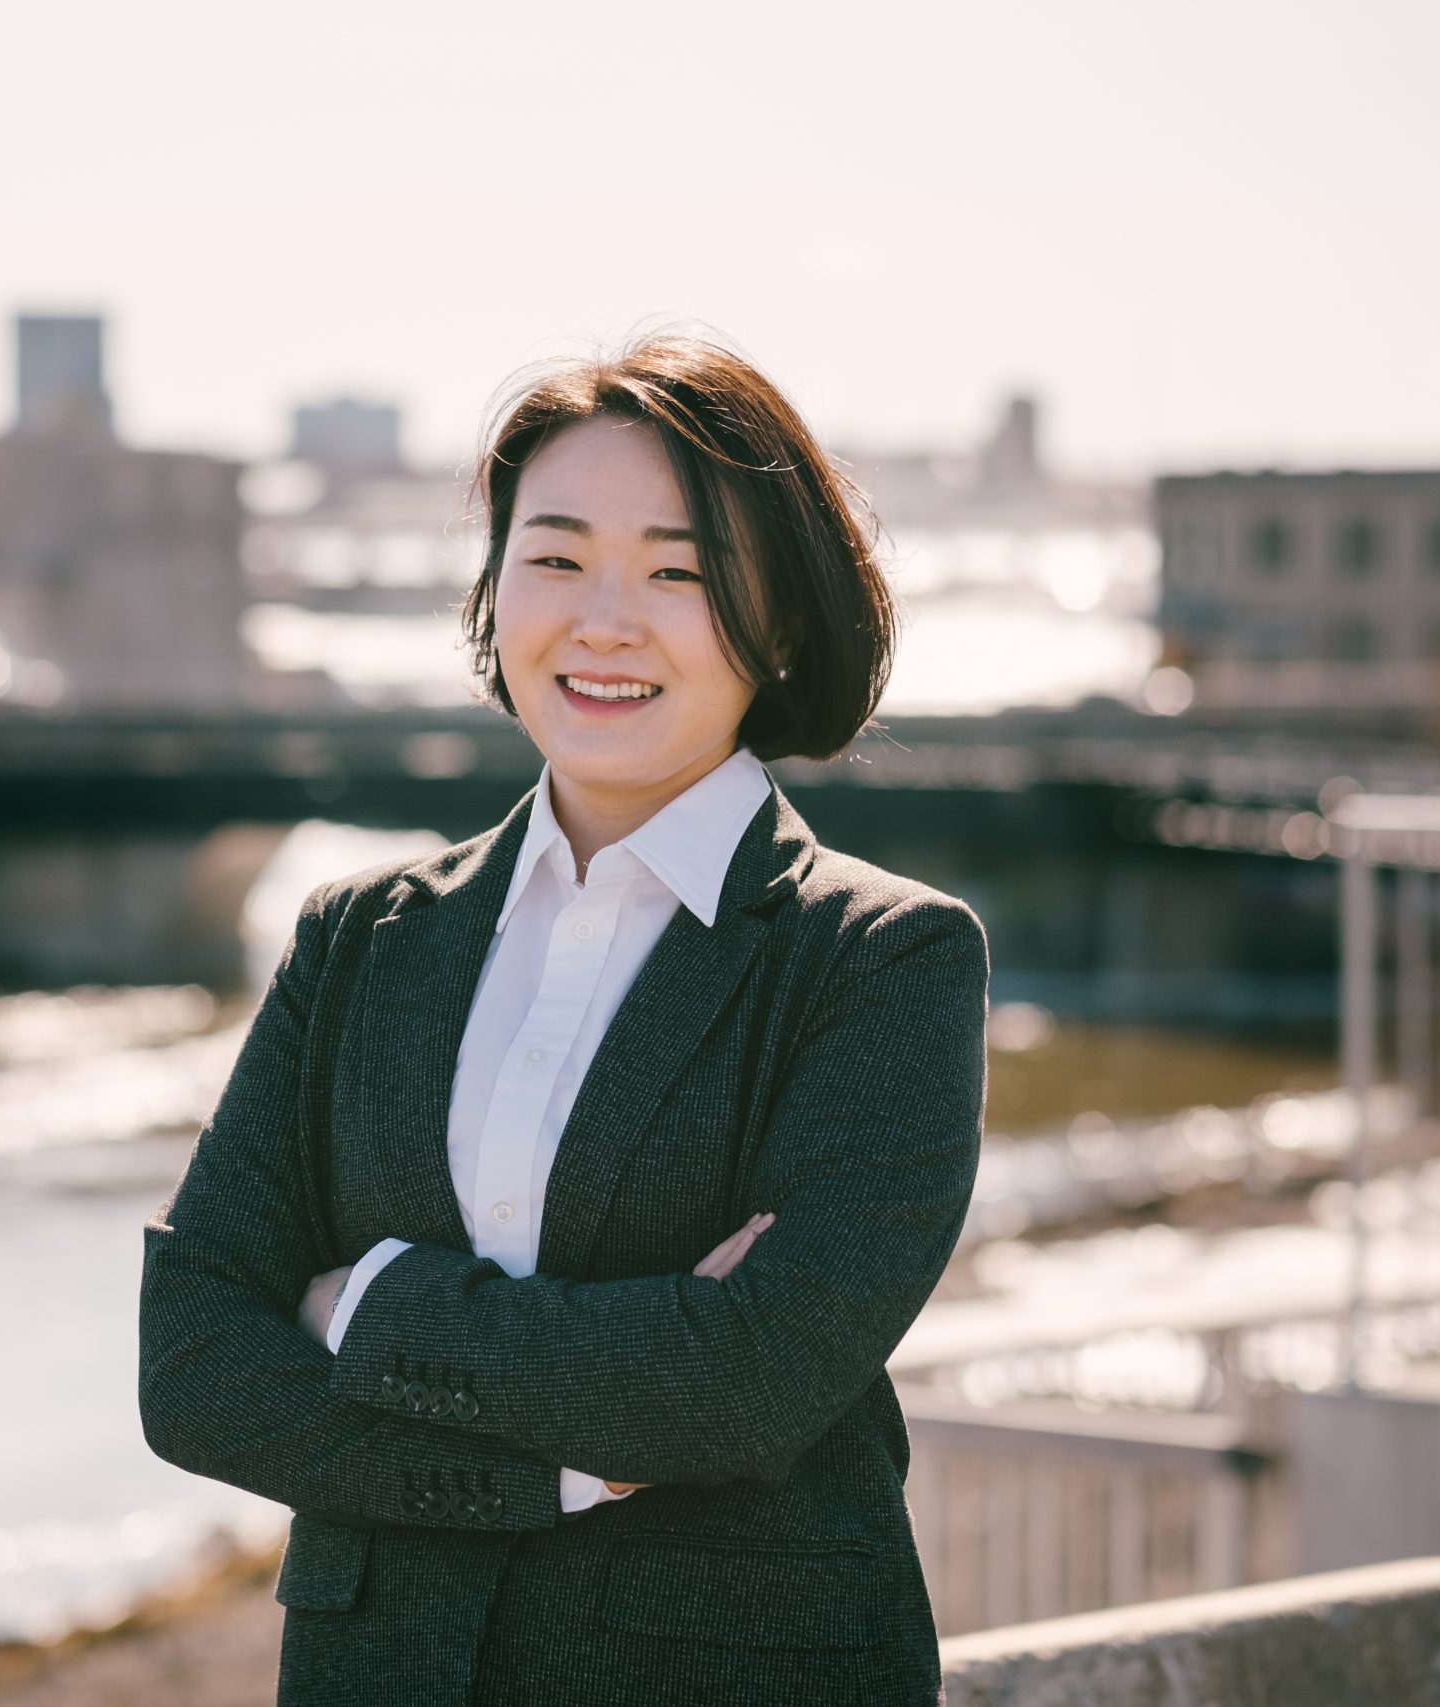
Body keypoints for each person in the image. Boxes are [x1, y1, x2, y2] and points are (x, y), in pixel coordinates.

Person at [137, 332, 989, 1705]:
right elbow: (191, 1359)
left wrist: (365, 1304)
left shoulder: (881, 962)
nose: (604, 621)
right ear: (493, 591)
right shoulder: (360, 941)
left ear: (777, 622)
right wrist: (561, 1462)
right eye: (555, 557)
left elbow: (751, 1381)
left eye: (677, 571)